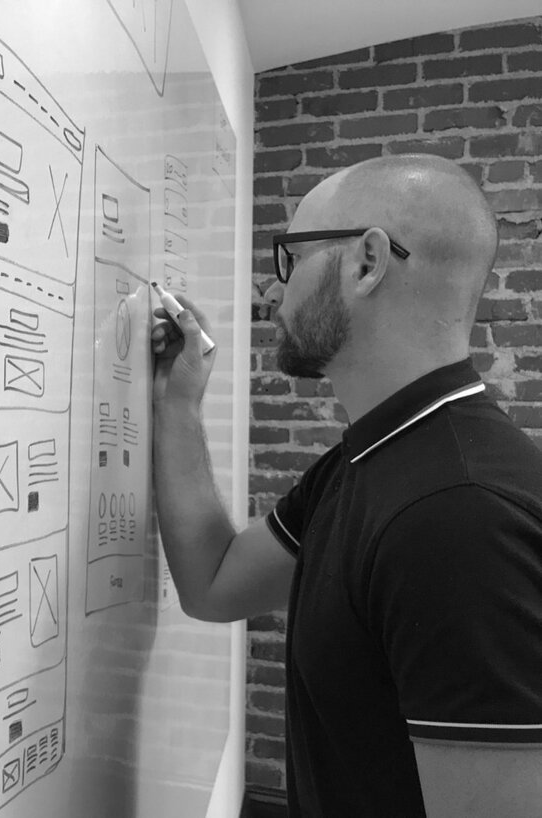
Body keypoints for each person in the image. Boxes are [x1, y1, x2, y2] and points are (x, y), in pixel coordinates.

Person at [152, 153, 542, 817]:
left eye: (292, 256)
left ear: (366, 262)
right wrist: (179, 403)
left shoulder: (458, 517)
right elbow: (215, 583)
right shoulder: (371, 462)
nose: (274, 291)